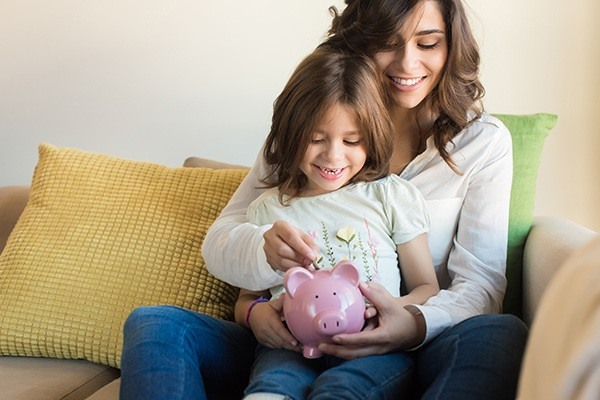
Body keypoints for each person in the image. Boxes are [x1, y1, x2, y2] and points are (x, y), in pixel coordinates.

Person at [121, 1, 528, 399]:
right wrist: (262, 268)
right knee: (154, 323)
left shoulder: (483, 143)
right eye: (388, 41)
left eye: (427, 43)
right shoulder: (305, 133)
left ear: (451, 46)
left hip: (421, 341)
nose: (407, 64)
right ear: (359, 41)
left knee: (501, 333)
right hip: (291, 342)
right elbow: (222, 241)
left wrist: (413, 322)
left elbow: (480, 285)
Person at [236, 46, 440, 399]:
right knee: (271, 388)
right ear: (289, 134)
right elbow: (246, 299)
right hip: (290, 347)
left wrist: (393, 311)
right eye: (315, 139)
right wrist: (256, 316)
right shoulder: (266, 210)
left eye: (351, 141)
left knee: (344, 389)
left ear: (372, 138)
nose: (333, 155)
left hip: (373, 346)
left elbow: (427, 287)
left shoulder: (389, 196)